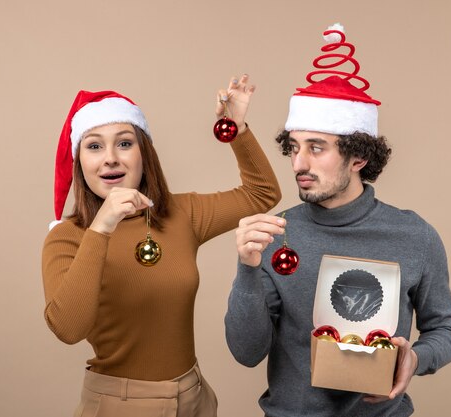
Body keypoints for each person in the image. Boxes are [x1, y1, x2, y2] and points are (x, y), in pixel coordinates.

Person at [224, 25, 451, 416]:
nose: (299, 163)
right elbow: (246, 353)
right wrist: (247, 269)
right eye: (295, 147)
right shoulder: (274, 235)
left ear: (358, 158)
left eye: (317, 148)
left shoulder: (414, 235)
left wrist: (415, 359)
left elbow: (446, 331)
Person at [42, 75, 281, 417]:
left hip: (194, 398)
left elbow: (262, 194)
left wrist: (237, 129)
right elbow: (67, 328)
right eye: (94, 146)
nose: (110, 158)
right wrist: (102, 226)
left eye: (124, 143)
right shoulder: (68, 236)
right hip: (118, 405)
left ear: (144, 153)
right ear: (80, 161)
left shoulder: (181, 214)